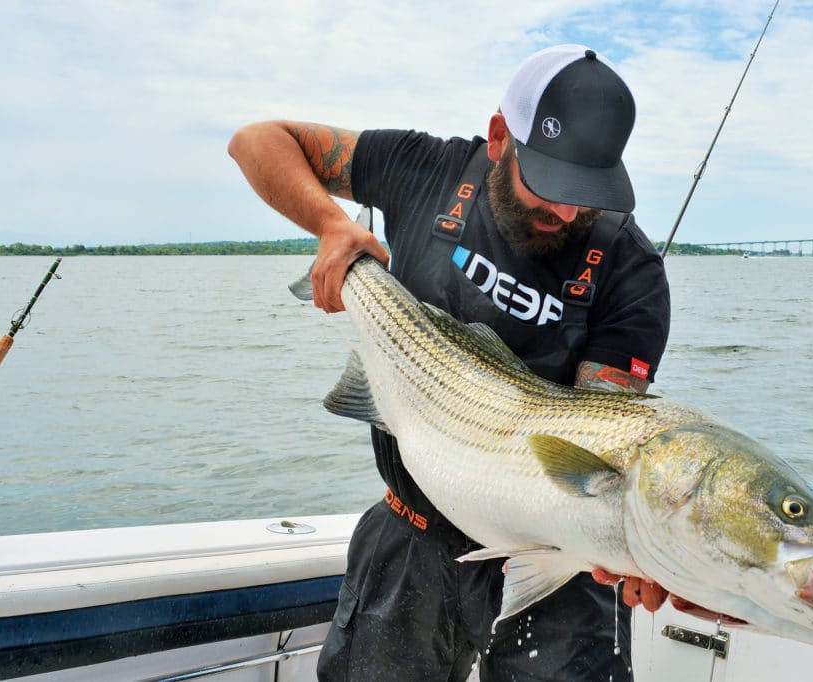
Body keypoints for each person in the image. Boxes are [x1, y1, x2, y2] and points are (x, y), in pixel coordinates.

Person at [229, 44, 671, 682]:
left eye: (589, 194)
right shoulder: (424, 166)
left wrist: (641, 548)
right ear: (500, 138)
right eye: (550, 185)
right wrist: (331, 226)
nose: (569, 213)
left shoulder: (631, 271)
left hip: (558, 571)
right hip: (411, 535)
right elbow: (257, 140)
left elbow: (606, 438)